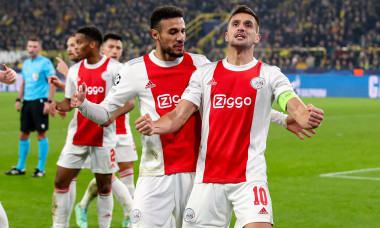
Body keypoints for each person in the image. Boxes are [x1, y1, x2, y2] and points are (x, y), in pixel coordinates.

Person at [70, 6, 319, 228]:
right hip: (159, 170)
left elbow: (243, 99)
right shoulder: (138, 70)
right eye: (173, 32)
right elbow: (113, 112)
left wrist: (286, 118)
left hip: (198, 171)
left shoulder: (201, 65)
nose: (180, 37)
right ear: (155, 35)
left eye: (183, 31)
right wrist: (84, 105)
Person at [51, 26, 122, 228]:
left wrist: (111, 116)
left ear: (92, 44)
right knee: (60, 181)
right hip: (76, 136)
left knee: (104, 186)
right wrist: (57, 105)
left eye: (79, 43)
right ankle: (59, 226)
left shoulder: (115, 69)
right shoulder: (74, 71)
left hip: (103, 137)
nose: (75, 47)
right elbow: (69, 101)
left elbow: (129, 102)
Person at [74, 32, 136, 228]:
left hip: (121, 129)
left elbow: (131, 102)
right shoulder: (95, 70)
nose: (115, 51)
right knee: (108, 176)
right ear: (102, 48)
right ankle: (131, 214)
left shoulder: (123, 71)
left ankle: (83, 205)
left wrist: (113, 116)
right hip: (101, 133)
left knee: (122, 175)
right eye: (111, 47)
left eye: (119, 48)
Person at [5, 37, 56, 177]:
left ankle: (41, 168)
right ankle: (20, 167)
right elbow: (24, 83)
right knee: (23, 134)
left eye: (34, 46)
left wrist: (49, 102)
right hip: (26, 102)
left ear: (39, 48)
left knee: (41, 134)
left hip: (40, 101)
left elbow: (52, 82)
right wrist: (18, 99)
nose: (32, 48)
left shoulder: (45, 63)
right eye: (30, 46)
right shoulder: (26, 63)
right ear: (27, 48)